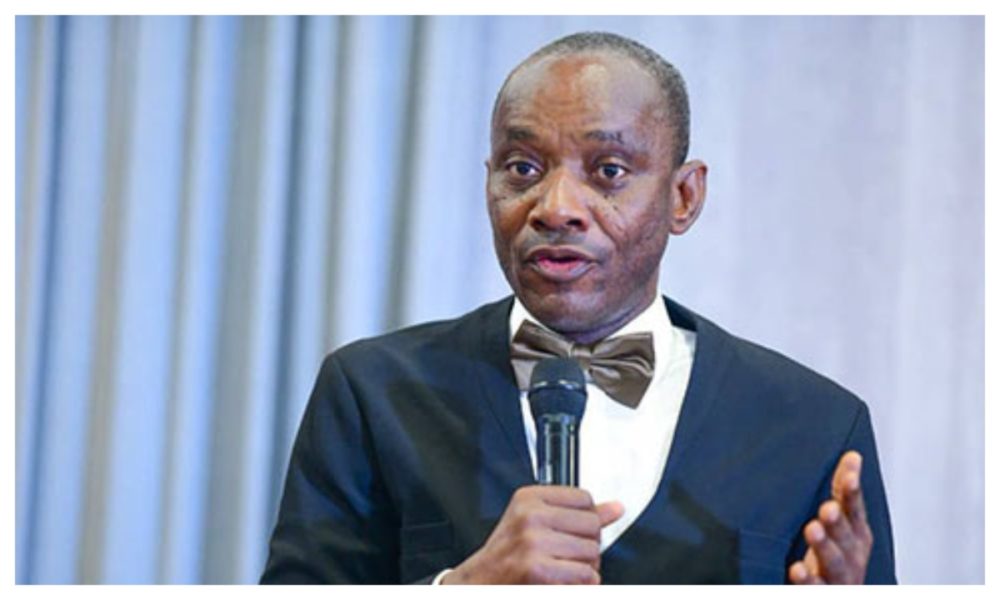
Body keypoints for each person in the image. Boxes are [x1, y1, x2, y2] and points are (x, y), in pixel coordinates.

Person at [260, 31, 895, 585]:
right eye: (522, 167)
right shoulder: (373, 393)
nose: (556, 207)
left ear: (683, 196)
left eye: (609, 170)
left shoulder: (813, 427)